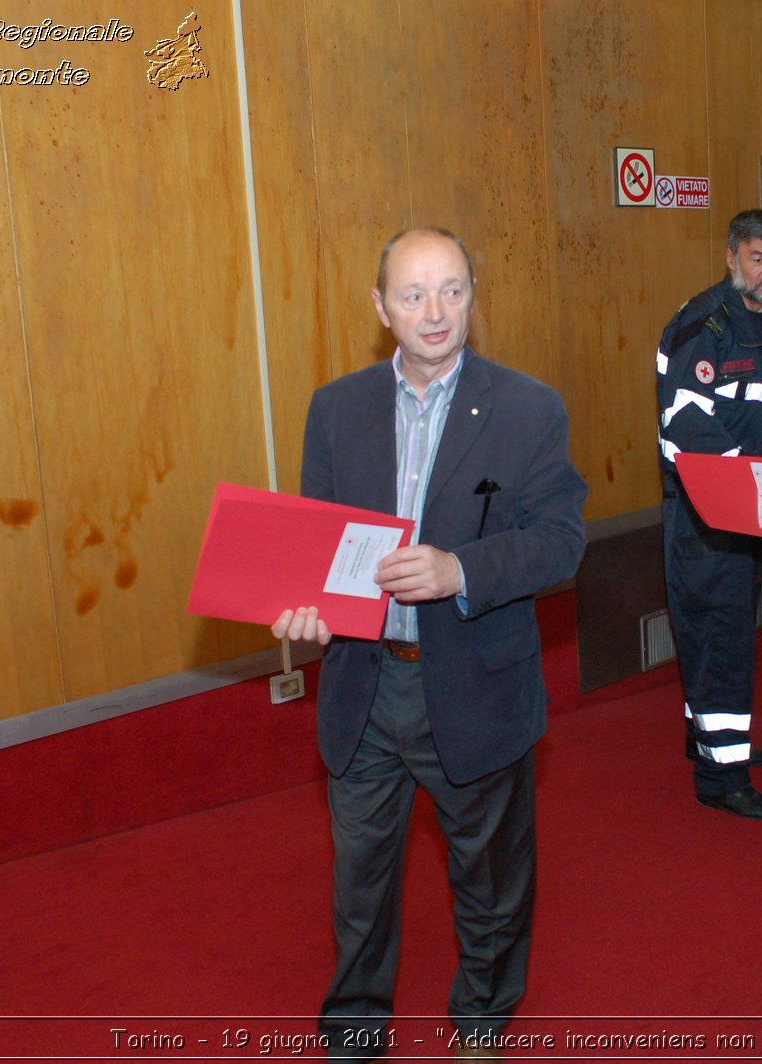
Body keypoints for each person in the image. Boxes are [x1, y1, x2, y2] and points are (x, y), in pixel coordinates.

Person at [272, 227, 588, 1059]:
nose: (434, 311)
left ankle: (481, 1022)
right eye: (412, 294)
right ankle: (354, 1027)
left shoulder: (528, 407)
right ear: (381, 308)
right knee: (359, 884)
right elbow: (320, 544)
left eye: (451, 289)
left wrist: (460, 568)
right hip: (364, 686)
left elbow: (562, 541)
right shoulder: (335, 407)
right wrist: (305, 611)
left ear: (474, 293)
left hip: (475, 681)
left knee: (488, 882)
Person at [656, 208, 762, 822]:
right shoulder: (704, 325)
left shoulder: (759, 321)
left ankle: (710, 743)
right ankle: (723, 778)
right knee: (721, 640)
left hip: (744, 513)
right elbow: (688, 433)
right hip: (708, 520)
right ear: (731, 258)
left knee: (720, 633)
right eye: (757, 258)